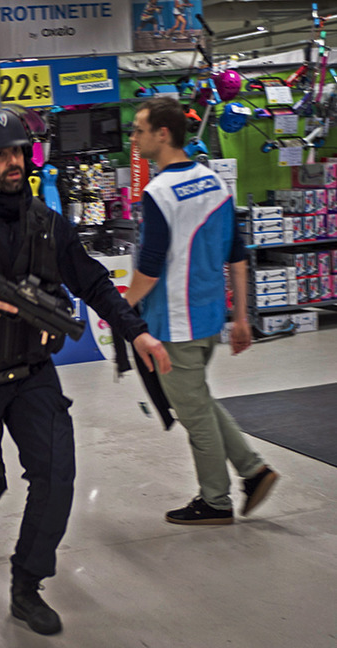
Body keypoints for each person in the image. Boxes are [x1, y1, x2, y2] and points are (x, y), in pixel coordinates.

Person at [0, 105, 172, 636]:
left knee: (57, 475)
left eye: (18, 151)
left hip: (32, 372)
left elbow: (94, 283)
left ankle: (26, 584)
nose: (12, 162)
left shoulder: (49, 225)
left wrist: (137, 331)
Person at [125, 96, 279, 526]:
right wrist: (242, 317)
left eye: (138, 130)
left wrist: (121, 305)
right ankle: (255, 470)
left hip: (175, 325)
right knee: (200, 402)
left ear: (163, 134)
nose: (133, 138)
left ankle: (215, 501)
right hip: (210, 319)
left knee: (195, 416)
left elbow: (150, 268)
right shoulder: (215, 183)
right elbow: (237, 254)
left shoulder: (158, 192)